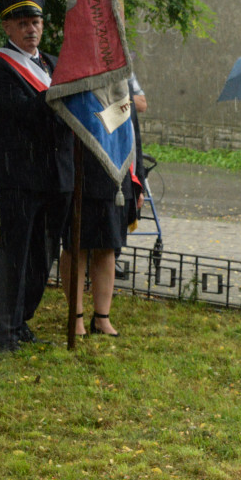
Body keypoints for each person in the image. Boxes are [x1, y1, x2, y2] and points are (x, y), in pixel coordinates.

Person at [0, 0, 74, 353]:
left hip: (57, 174)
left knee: (42, 253)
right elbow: (14, 112)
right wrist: (58, 97)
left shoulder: (54, 64)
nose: (30, 29)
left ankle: (21, 321)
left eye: (35, 22)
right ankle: (5, 327)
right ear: (7, 27)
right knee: (16, 251)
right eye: (22, 23)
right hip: (20, 174)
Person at [59, 77, 145, 337]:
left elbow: (133, 135)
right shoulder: (73, 78)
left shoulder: (120, 82)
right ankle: (76, 317)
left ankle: (102, 318)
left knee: (108, 246)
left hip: (116, 178)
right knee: (77, 246)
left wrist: (138, 179)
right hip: (81, 173)